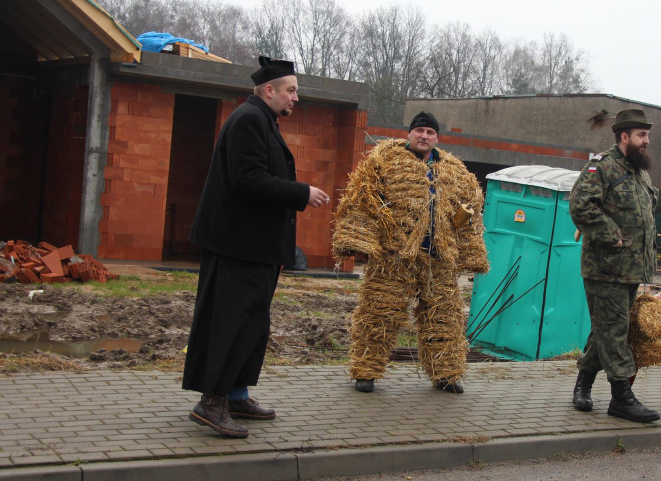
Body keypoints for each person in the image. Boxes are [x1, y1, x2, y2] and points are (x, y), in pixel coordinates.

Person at [183, 56, 331, 438]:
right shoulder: (249, 120)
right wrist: (302, 193)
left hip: (253, 247)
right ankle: (211, 402)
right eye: (291, 90)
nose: (296, 98)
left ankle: (235, 394)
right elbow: (248, 179)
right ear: (270, 90)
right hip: (238, 247)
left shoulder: (260, 120)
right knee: (230, 323)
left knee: (252, 324)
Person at [333, 111, 489, 393]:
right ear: (409, 134)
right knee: (379, 314)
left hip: (439, 259)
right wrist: (357, 240)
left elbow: (471, 211)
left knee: (443, 318)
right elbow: (361, 200)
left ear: (437, 138)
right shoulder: (384, 162)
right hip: (394, 257)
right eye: (419, 131)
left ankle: (446, 375)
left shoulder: (455, 170)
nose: (424, 136)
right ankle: (366, 372)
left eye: (430, 132)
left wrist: (471, 254)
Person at [568, 108, 661, 423]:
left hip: (632, 269)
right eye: (641, 135)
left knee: (606, 328)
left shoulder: (639, 173)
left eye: (647, 135)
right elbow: (580, 205)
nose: (647, 141)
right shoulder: (602, 168)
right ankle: (621, 397)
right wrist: (612, 235)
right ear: (625, 137)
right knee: (615, 330)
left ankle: (583, 384)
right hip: (605, 268)